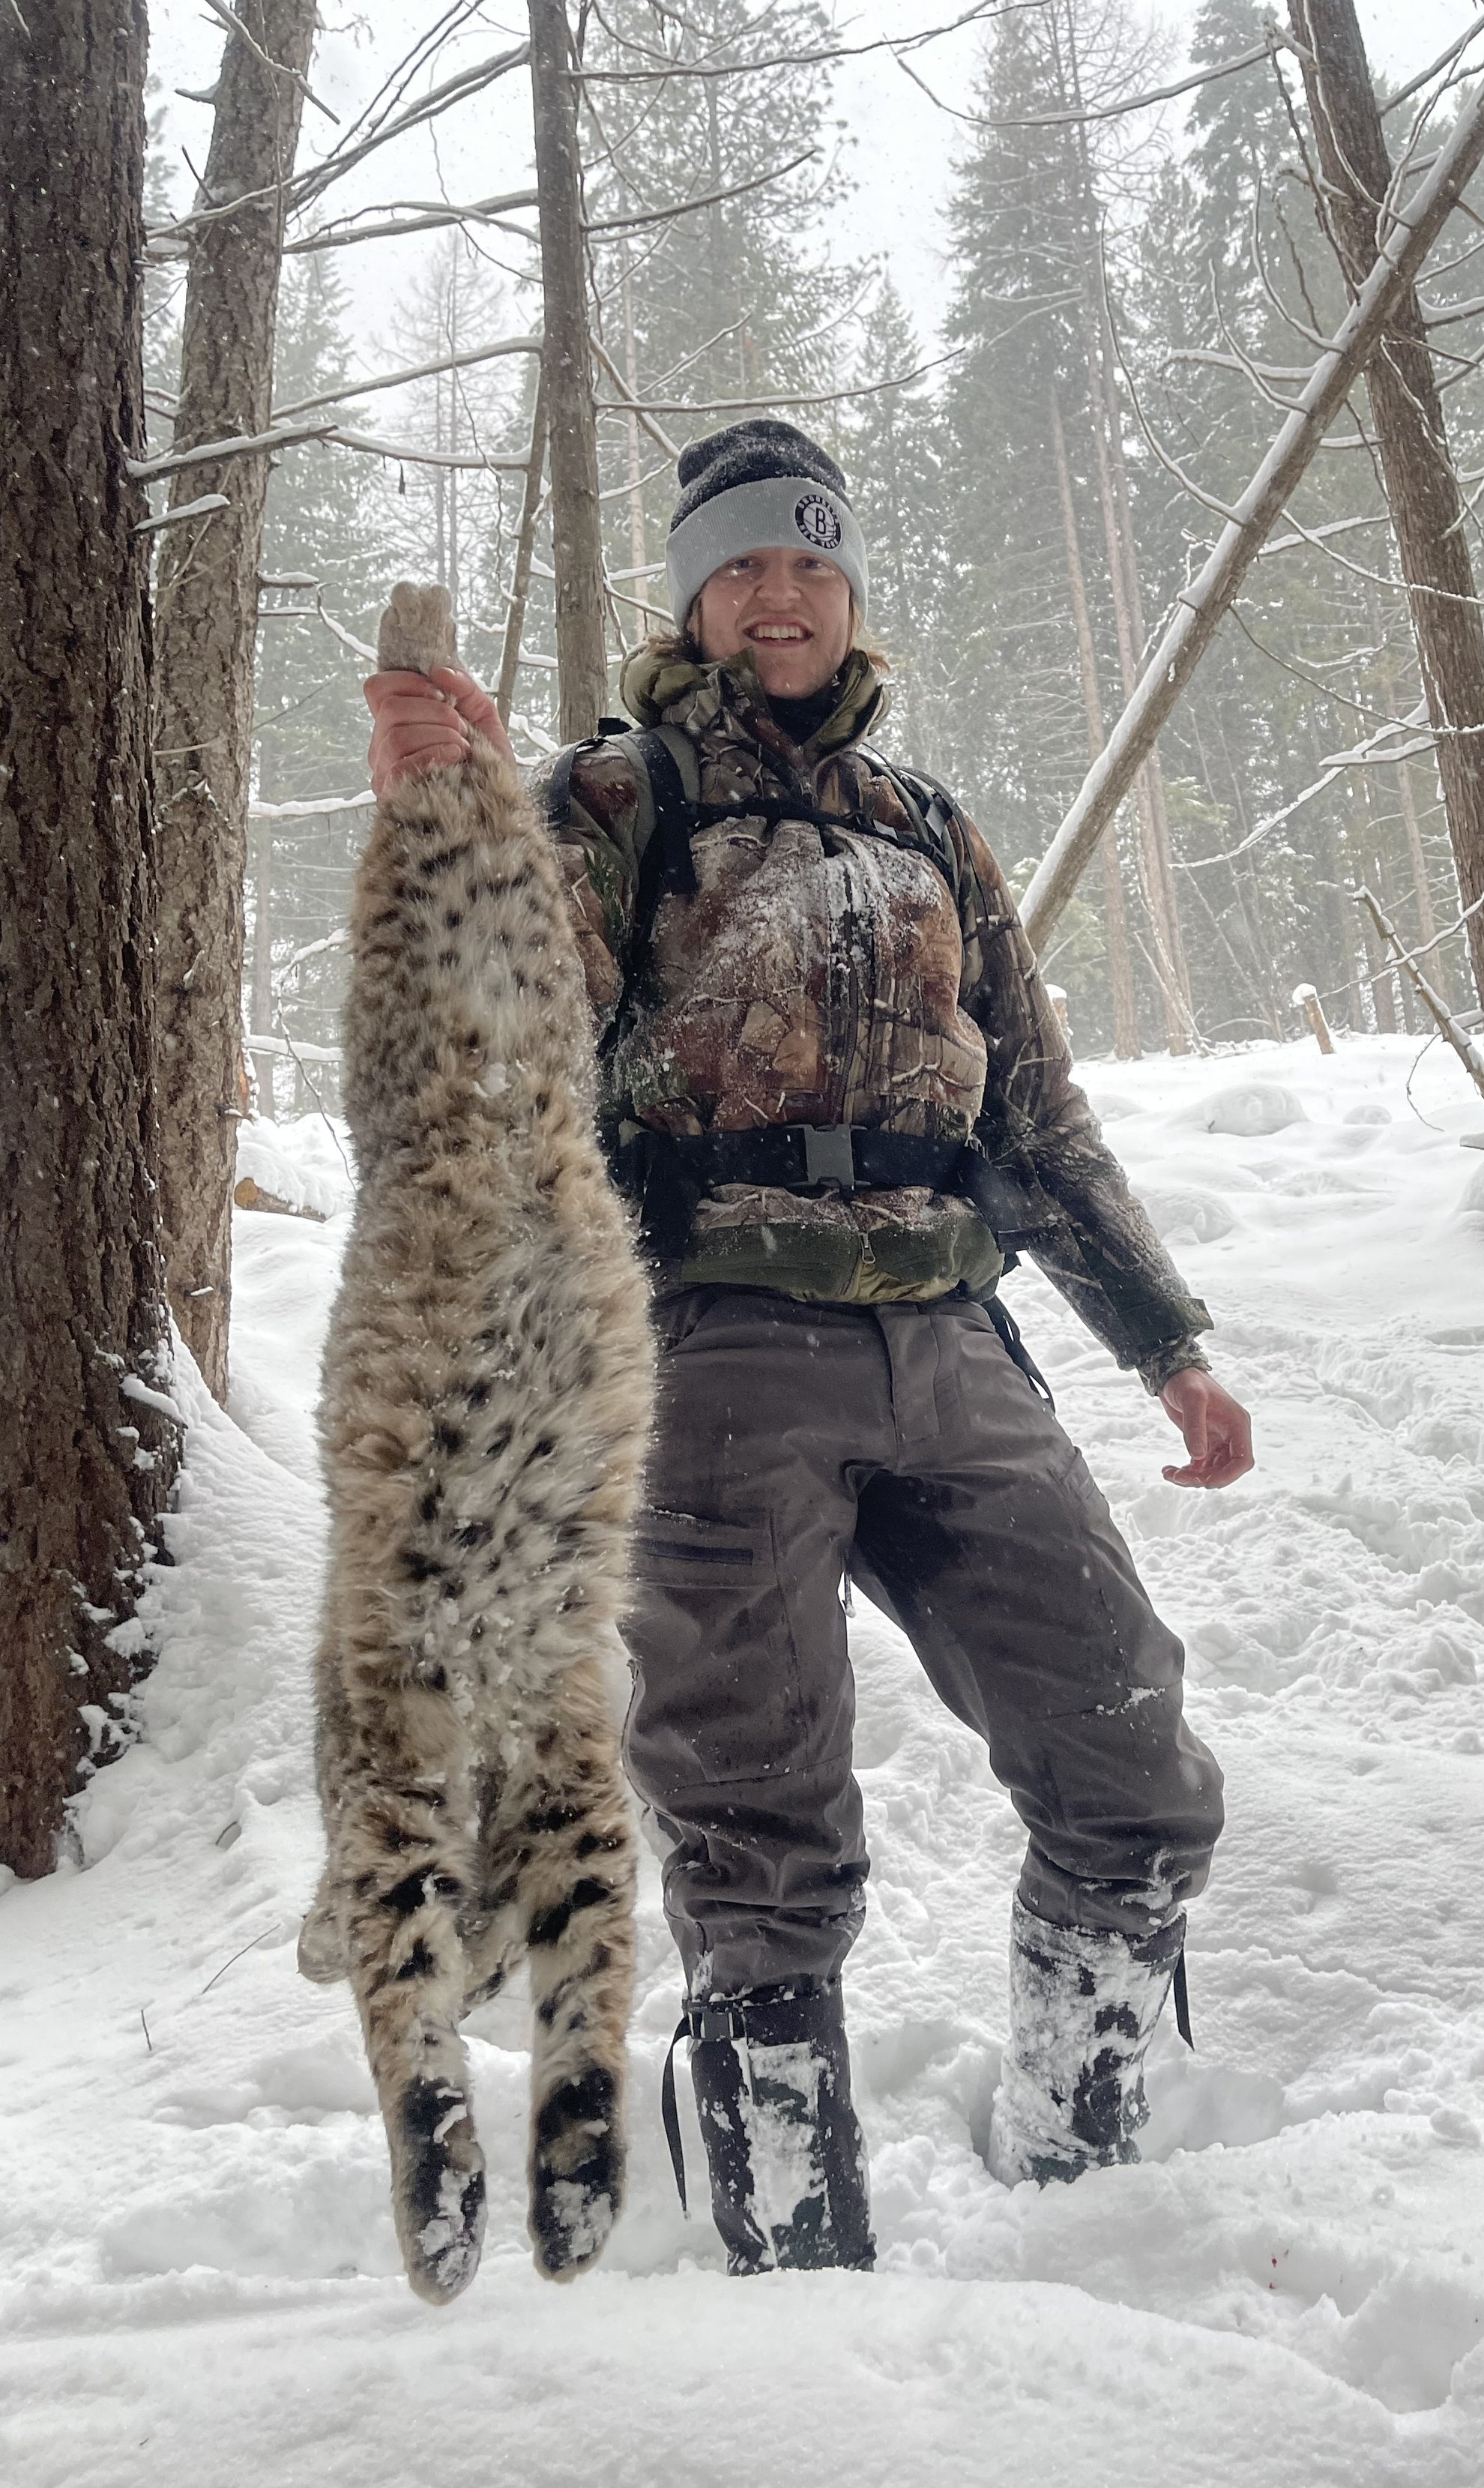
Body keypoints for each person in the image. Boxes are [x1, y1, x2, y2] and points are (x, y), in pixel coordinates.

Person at [364, 418, 1254, 2279]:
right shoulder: (616, 804)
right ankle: (799, 2295)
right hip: (713, 1351)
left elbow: (1038, 1111)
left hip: (949, 1337)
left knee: (1135, 1776)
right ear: (693, 594)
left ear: (850, 592)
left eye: (814, 563)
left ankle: (1086, 2180)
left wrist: (1162, 1337)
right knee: (761, 1843)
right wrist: (433, 821)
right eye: (746, 564)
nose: (782, 594)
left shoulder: (927, 826)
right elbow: (479, 1057)